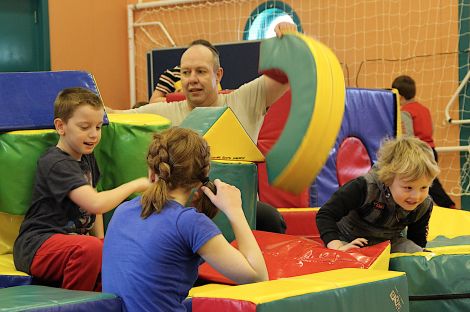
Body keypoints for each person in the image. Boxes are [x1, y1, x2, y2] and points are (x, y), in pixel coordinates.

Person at [106, 22, 297, 234]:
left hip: (237, 208)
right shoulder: (164, 112)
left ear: (218, 75)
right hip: (185, 208)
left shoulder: (244, 101)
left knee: (270, 219)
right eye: (186, 73)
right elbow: (116, 115)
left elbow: (283, 75)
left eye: (201, 71)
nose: (192, 79)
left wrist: (288, 42)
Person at [102, 127, 268, 312]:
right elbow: (258, 278)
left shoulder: (122, 210)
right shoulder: (188, 222)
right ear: (202, 176)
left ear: (151, 171)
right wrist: (235, 210)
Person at [13, 87, 150, 291]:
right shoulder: (56, 163)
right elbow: (95, 202)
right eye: (85, 127)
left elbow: (95, 210)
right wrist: (138, 184)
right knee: (90, 248)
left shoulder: (87, 157)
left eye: (98, 127)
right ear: (61, 126)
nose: (94, 135)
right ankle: (75, 304)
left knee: (117, 254)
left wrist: (103, 242)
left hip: (75, 246)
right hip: (37, 246)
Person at [316, 136, 440, 253]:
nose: (416, 196)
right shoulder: (365, 187)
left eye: (424, 187)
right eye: (408, 188)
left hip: (389, 242)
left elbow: (417, 238)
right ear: (389, 180)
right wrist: (337, 246)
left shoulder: (423, 204)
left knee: (418, 254)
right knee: (350, 256)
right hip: (349, 239)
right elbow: (325, 214)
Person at [392, 75, 456, 209]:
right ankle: (443, 205)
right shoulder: (424, 109)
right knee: (427, 183)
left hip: (419, 152)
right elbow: (431, 129)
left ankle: (448, 205)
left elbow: (408, 137)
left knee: (429, 184)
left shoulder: (405, 111)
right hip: (431, 149)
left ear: (400, 96)